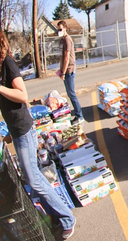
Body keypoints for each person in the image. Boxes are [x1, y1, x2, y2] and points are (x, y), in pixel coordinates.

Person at [0, 30, 76, 239]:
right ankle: (56, 218)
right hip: (16, 130)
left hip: (24, 129)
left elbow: (22, 96)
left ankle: (67, 218)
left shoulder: (7, 63)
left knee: (33, 180)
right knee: (32, 177)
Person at [57, 20, 84, 125]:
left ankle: (79, 116)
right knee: (69, 93)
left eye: (60, 29)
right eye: (57, 29)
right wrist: (60, 70)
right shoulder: (62, 40)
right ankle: (78, 115)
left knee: (72, 94)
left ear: (65, 29)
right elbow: (62, 56)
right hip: (64, 70)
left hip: (69, 70)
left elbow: (67, 57)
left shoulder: (67, 39)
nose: (59, 31)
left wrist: (63, 72)